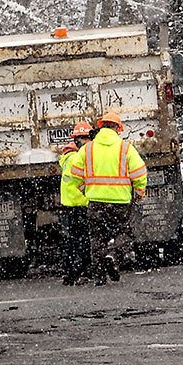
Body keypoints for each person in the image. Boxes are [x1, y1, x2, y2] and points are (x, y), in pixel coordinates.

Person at [71, 109, 147, 285]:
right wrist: (139, 191)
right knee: (125, 233)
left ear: (101, 127)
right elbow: (139, 172)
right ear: (117, 129)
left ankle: (99, 277)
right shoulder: (125, 148)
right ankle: (113, 255)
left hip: (96, 202)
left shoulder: (87, 149)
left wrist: (84, 188)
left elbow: (74, 172)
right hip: (120, 202)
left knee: (97, 238)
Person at [57, 121, 92, 285]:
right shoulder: (78, 158)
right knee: (83, 240)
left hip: (69, 206)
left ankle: (71, 273)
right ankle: (83, 271)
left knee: (71, 241)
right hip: (80, 204)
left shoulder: (68, 157)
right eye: (86, 138)